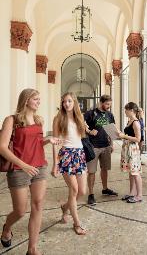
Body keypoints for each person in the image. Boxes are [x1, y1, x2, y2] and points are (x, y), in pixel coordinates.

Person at [0, 88, 59, 255]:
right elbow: (2, 148)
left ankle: (32, 249)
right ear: (26, 100)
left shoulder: (39, 120)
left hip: (39, 166)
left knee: (38, 205)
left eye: (39, 99)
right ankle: (7, 227)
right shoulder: (11, 120)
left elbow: (35, 143)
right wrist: (24, 165)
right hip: (19, 169)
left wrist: (47, 140)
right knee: (20, 210)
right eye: (36, 99)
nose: (39, 102)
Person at [52, 92, 87, 235]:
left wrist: (89, 129)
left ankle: (65, 207)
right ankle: (77, 224)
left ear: (74, 103)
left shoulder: (80, 117)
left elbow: (81, 135)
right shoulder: (58, 118)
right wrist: (55, 163)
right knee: (74, 190)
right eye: (64, 101)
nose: (66, 104)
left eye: (69, 101)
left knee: (82, 191)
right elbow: (54, 142)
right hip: (66, 155)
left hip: (79, 154)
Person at [84, 95, 117, 205]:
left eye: (110, 104)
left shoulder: (110, 115)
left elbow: (112, 130)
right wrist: (89, 131)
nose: (108, 106)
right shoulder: (90, 114)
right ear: (101, 102)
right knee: (92, 171)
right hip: (93, 146)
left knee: (105, 169)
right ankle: (91, 194)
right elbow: (81, 124)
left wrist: (112, 144)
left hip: (106, 146)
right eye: (107, 104)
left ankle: (105, 188)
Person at [119, 102, 142, 203]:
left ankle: (139, 195)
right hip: (127, 148)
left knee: (135, 172)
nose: (125, 112)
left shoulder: (136, 122)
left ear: (131, 110)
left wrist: (124, 136)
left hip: (133, 149)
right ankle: (132, 192)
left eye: (126, 110)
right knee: (131, 172)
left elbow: (138, 139)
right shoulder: (130, 121)